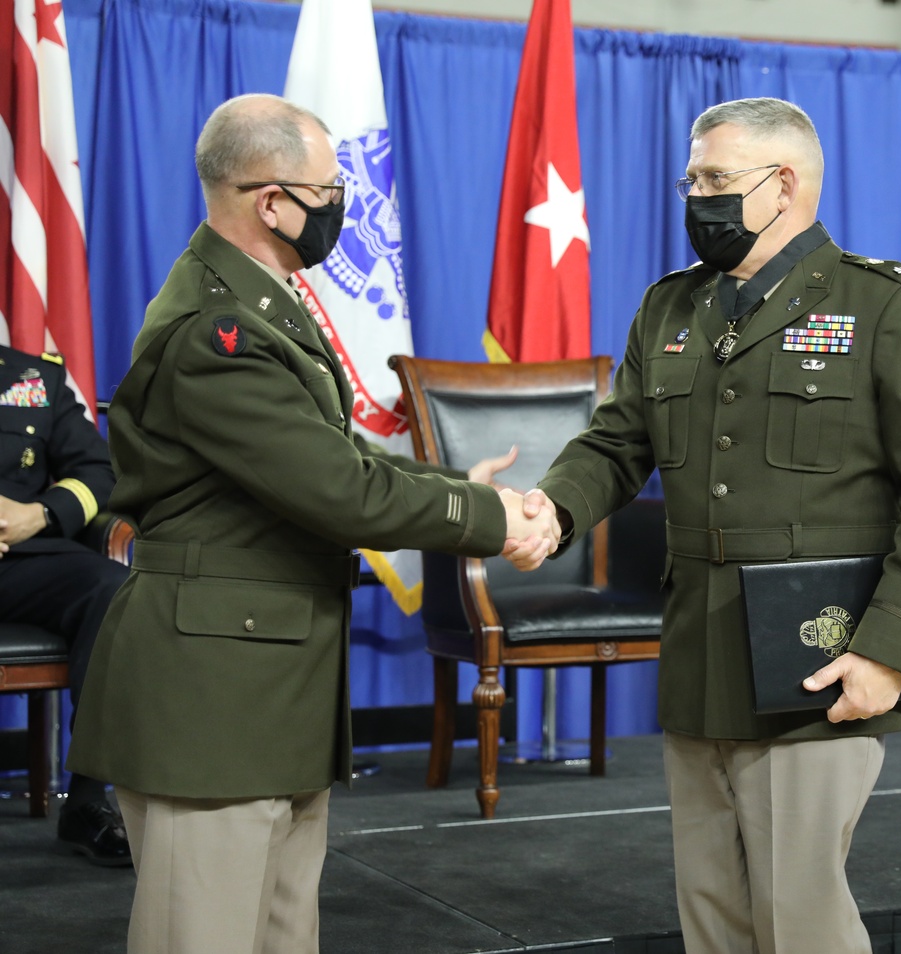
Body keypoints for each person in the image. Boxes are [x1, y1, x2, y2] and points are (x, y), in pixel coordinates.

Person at [65, 93, 557, 954]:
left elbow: (331, 457)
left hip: (268, 682)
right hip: (212, 698)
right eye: (330, 189)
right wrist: (485, 515)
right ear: (271, 201)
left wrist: (451, 485)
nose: (342, 206)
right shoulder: (214, 332)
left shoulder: (264, 302)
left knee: (282, 936)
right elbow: (337, 490)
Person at [507, 97, 901, 954]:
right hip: (699, 651)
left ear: (784, 182)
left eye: (717, 179)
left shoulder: (881, 305)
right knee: (712, 912)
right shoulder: (670, 309)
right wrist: (555, 506)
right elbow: (616, 444)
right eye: (693, 179)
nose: (697, 197)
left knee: (800, 920)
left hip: (818, 659)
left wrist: (886, 652)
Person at [0, 343, 131, 866]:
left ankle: (87, 800)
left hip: (23, 559)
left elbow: (98, 472)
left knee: (112, 589)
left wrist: (40, 514)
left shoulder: (35, 377)